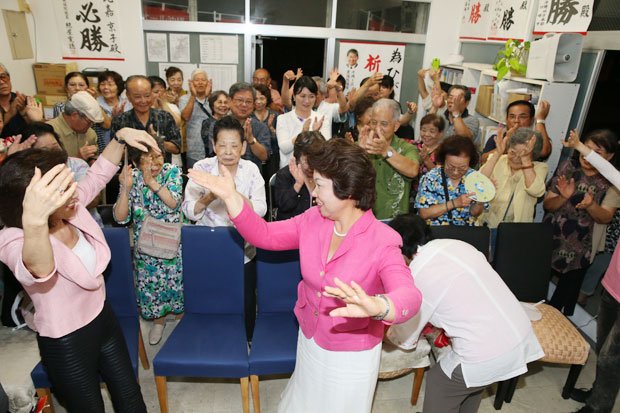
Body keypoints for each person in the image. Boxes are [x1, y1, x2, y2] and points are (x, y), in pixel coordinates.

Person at [187, 137, 421, 413]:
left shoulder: (382, 240)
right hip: (309, 338)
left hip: (351, 355)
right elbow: (264, 234)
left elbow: (409, 295)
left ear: (348, 190)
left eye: (320, 185)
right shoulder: (313, 220)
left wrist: (380, 306)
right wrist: (231, 197)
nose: (314, 193)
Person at [0, 127, 158, 412]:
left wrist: (120, 137)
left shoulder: (70, 209)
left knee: (131, 400)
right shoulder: (13, 238)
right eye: (63, 188)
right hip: (67, 342)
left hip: (103, 320)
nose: (75, 190)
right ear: (35, 203)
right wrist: (34, 221)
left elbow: (97, 175)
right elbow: (41, 268)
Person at [387, 213, 543, 413]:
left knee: (439, 382)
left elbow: (406, 339)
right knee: (470, 384)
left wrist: (384, 327)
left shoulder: (418, 275)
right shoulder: (458, 245)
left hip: (488, 352)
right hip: (519, 333)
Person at [183, 116, 266, 339]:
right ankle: (212, 339)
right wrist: (210, 195)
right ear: (213, 145)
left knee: (246, 298)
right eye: (222, 145)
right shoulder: (201, 168)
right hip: (209, 247)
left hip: (244, 249)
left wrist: (230, 192)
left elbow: (260, 210)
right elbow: (189, 210)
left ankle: (246, 338)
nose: (228, 151)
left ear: (244, 146)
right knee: (211, 295)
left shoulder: (251, 170)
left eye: (234, 145)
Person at [562, 130, 620, 413]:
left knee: (612, 354)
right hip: (613, 284)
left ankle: (599, 407)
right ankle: (600, 393)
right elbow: (610, 170)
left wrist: (581, 148)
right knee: (605, 349)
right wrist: (579, 147)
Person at [113, 138, 184, 345]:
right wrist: (125, 189)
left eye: (157, 157)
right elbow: (120, 217)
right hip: (146, 248)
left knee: (178, 287)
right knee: (152, 290)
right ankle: (158, 322)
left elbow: (173, 203)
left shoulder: (172, 172)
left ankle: (182, 321)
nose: (154, 163)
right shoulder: (131, 178)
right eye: (146, 159)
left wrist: (151, 181)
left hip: (173, 246)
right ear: (135, 163)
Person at [543, 129, 618, 316]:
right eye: (585, 148)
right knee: (536, 285)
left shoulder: (612, 183)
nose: (587, 155)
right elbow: (548, 206)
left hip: (582, 244)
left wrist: (591, 205)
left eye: (595, 153)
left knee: (559, 301)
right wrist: (563, 197)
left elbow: (605, 217)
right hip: (551, 235)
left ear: (609, 157)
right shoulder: (568, 166)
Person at [479, 128, 548, 253]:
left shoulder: (539, 168)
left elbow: (536, 191)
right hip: (486, 226)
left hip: (515, 232)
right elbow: (478, 182)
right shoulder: (499, 159)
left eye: (523, 154)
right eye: (513, 152)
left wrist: (526, 160)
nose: (516, 158)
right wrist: (498, 153)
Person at [24, 122, 103, 227]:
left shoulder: (76, 165)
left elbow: (94, 199)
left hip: (86, 227)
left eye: (55, 147)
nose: (53, 153)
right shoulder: (28, 175)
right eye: (45, 150)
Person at [359, 99, 419, 220]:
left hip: (395, 221)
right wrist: (359, 152)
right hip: (362, 219)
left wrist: (386, 151)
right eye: (374, 122)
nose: (377, 128)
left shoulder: (407, 148)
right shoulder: (361, 144)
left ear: (396, 126)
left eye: (384, 124)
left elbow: (413, 170)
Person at [416, 135, 485, 226]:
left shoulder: (475, 178)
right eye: (451, 166)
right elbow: (424, 213)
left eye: (462, 168)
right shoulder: (431, 178)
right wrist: (455, 203)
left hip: (465, 233)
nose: (456, 172)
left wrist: (481, 199)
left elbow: (475, 213)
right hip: (435, 232)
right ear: (443, 159)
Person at [111, 75, 182, 163]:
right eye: (137, 97)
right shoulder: (120, 120)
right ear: (128, 96)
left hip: (162, 173)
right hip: (131, 174)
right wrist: (134, 145)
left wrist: (157, 141)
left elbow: (177, 148)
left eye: (147, 95)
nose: (143, 101)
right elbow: (112, 155)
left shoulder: (164, 117)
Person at [277, 75, 331, 168]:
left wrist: (315, 133)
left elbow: (326, 148)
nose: (307, 101)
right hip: (289, 171)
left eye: (311, 96)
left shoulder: (322, 118)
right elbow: (284, 148)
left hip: (314, 170)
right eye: (302, 96)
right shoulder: (283, 119)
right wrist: (303, 134)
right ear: (294, 96)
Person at [273, 131, 325, 221]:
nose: (312, 165)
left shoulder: (326, 173)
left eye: (316, 159)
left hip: (320, 226)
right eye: (307, 161)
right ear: (297, 157)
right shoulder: (285, 175)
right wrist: (297, 185)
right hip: (293, 228)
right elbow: (283, 207)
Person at [480, 99, 551, 164]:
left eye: (522, 117)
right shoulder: (497, 138)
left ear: (532, 120)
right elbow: (483, 160)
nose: (516, 121)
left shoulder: (533, 139)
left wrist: (540, 120)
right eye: (512, 117)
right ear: (506, 120)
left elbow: (544, 152)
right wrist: (507, 142)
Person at [47, 91, 102, 162]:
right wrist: (78, 159)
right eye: (89, 122)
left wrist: (92, 160)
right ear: (74, 115)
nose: (91, 126)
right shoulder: (49, 132)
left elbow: (93, 158)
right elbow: (46, 167)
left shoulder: (91, 134)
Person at [179, 69, 213, 167]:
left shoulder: (213, 98)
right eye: (197, 80)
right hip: (194, 149)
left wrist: (209, 95)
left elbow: (218, 116)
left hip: (212, 149)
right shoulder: (184, 99)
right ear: (191, 83)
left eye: (203, 80)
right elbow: (185, 117)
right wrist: (193, 96)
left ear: (208, 82)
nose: (200, 82)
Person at [0, 63, 43, 139]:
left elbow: (40, 134)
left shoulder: (23, 101)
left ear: (9, 78)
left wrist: (31, 119)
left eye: (3, 77)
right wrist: (9, 114)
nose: (1, 82)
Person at [94, 70, 131, 152]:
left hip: (125, 147)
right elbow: (104, 125)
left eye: (110, 84)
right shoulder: (95, 103)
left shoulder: (127, 103)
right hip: (102, 147)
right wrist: (115, 118)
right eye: (102, 84)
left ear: (118, 87)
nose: (106, 87)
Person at [252, 83, 279, 178]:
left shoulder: (275, 115)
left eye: (262, 98)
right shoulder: (248, 116)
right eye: (255, 99)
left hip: (272, 159)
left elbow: (279, 142)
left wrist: (271, 128)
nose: (258, 102)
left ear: (267, 99)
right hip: (254, 158)